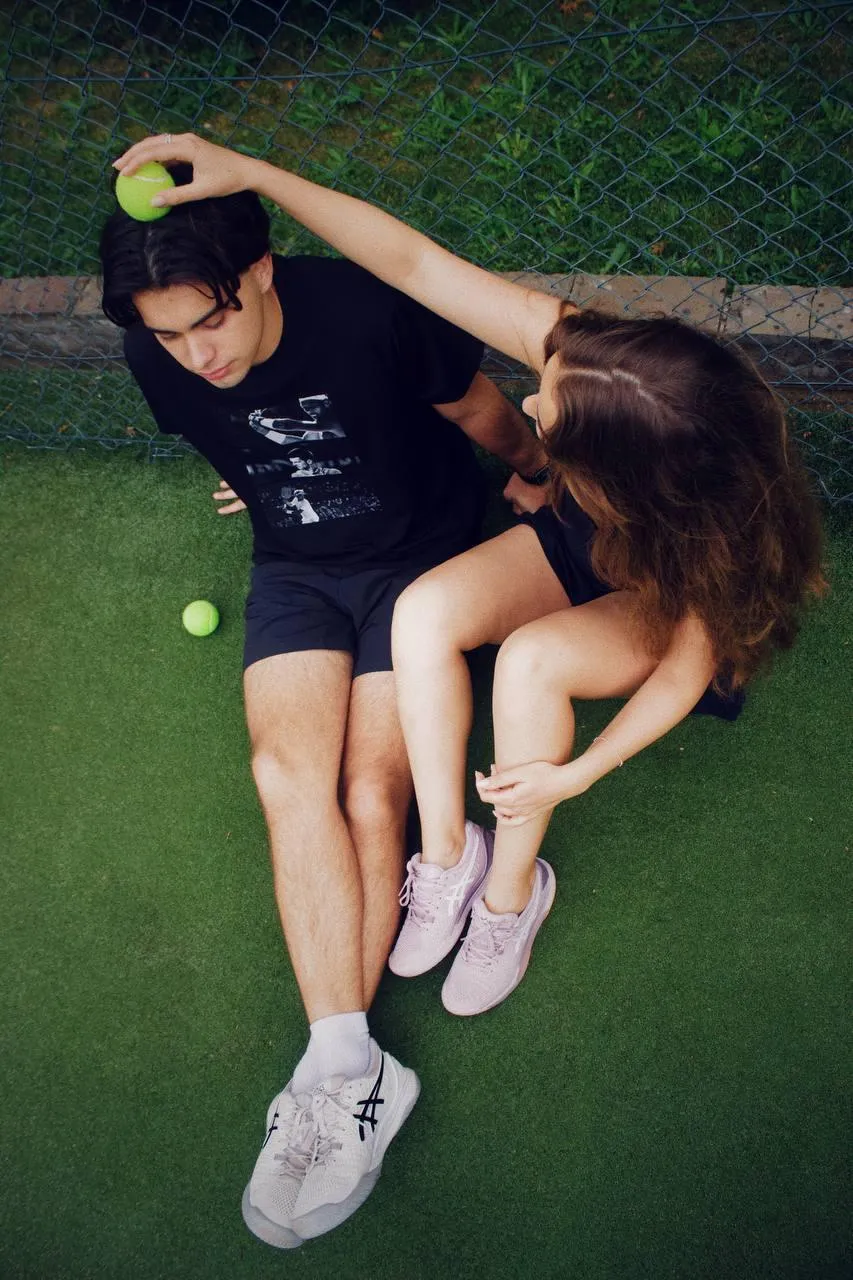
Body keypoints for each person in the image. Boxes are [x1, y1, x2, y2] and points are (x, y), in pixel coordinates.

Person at [101, 141, 552, 1248]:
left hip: (420, 559)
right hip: (295, 570)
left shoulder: (362, 308)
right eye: (167, 333)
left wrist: (536, 472)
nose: (193, 354)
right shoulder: (160, 355)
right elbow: (233, 425)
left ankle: (338, 1073)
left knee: (366, 788)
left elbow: (482, 408)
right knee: (279, 769)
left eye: (210, 320)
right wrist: (255, 465)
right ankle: (346, 1064)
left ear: (259, 272)